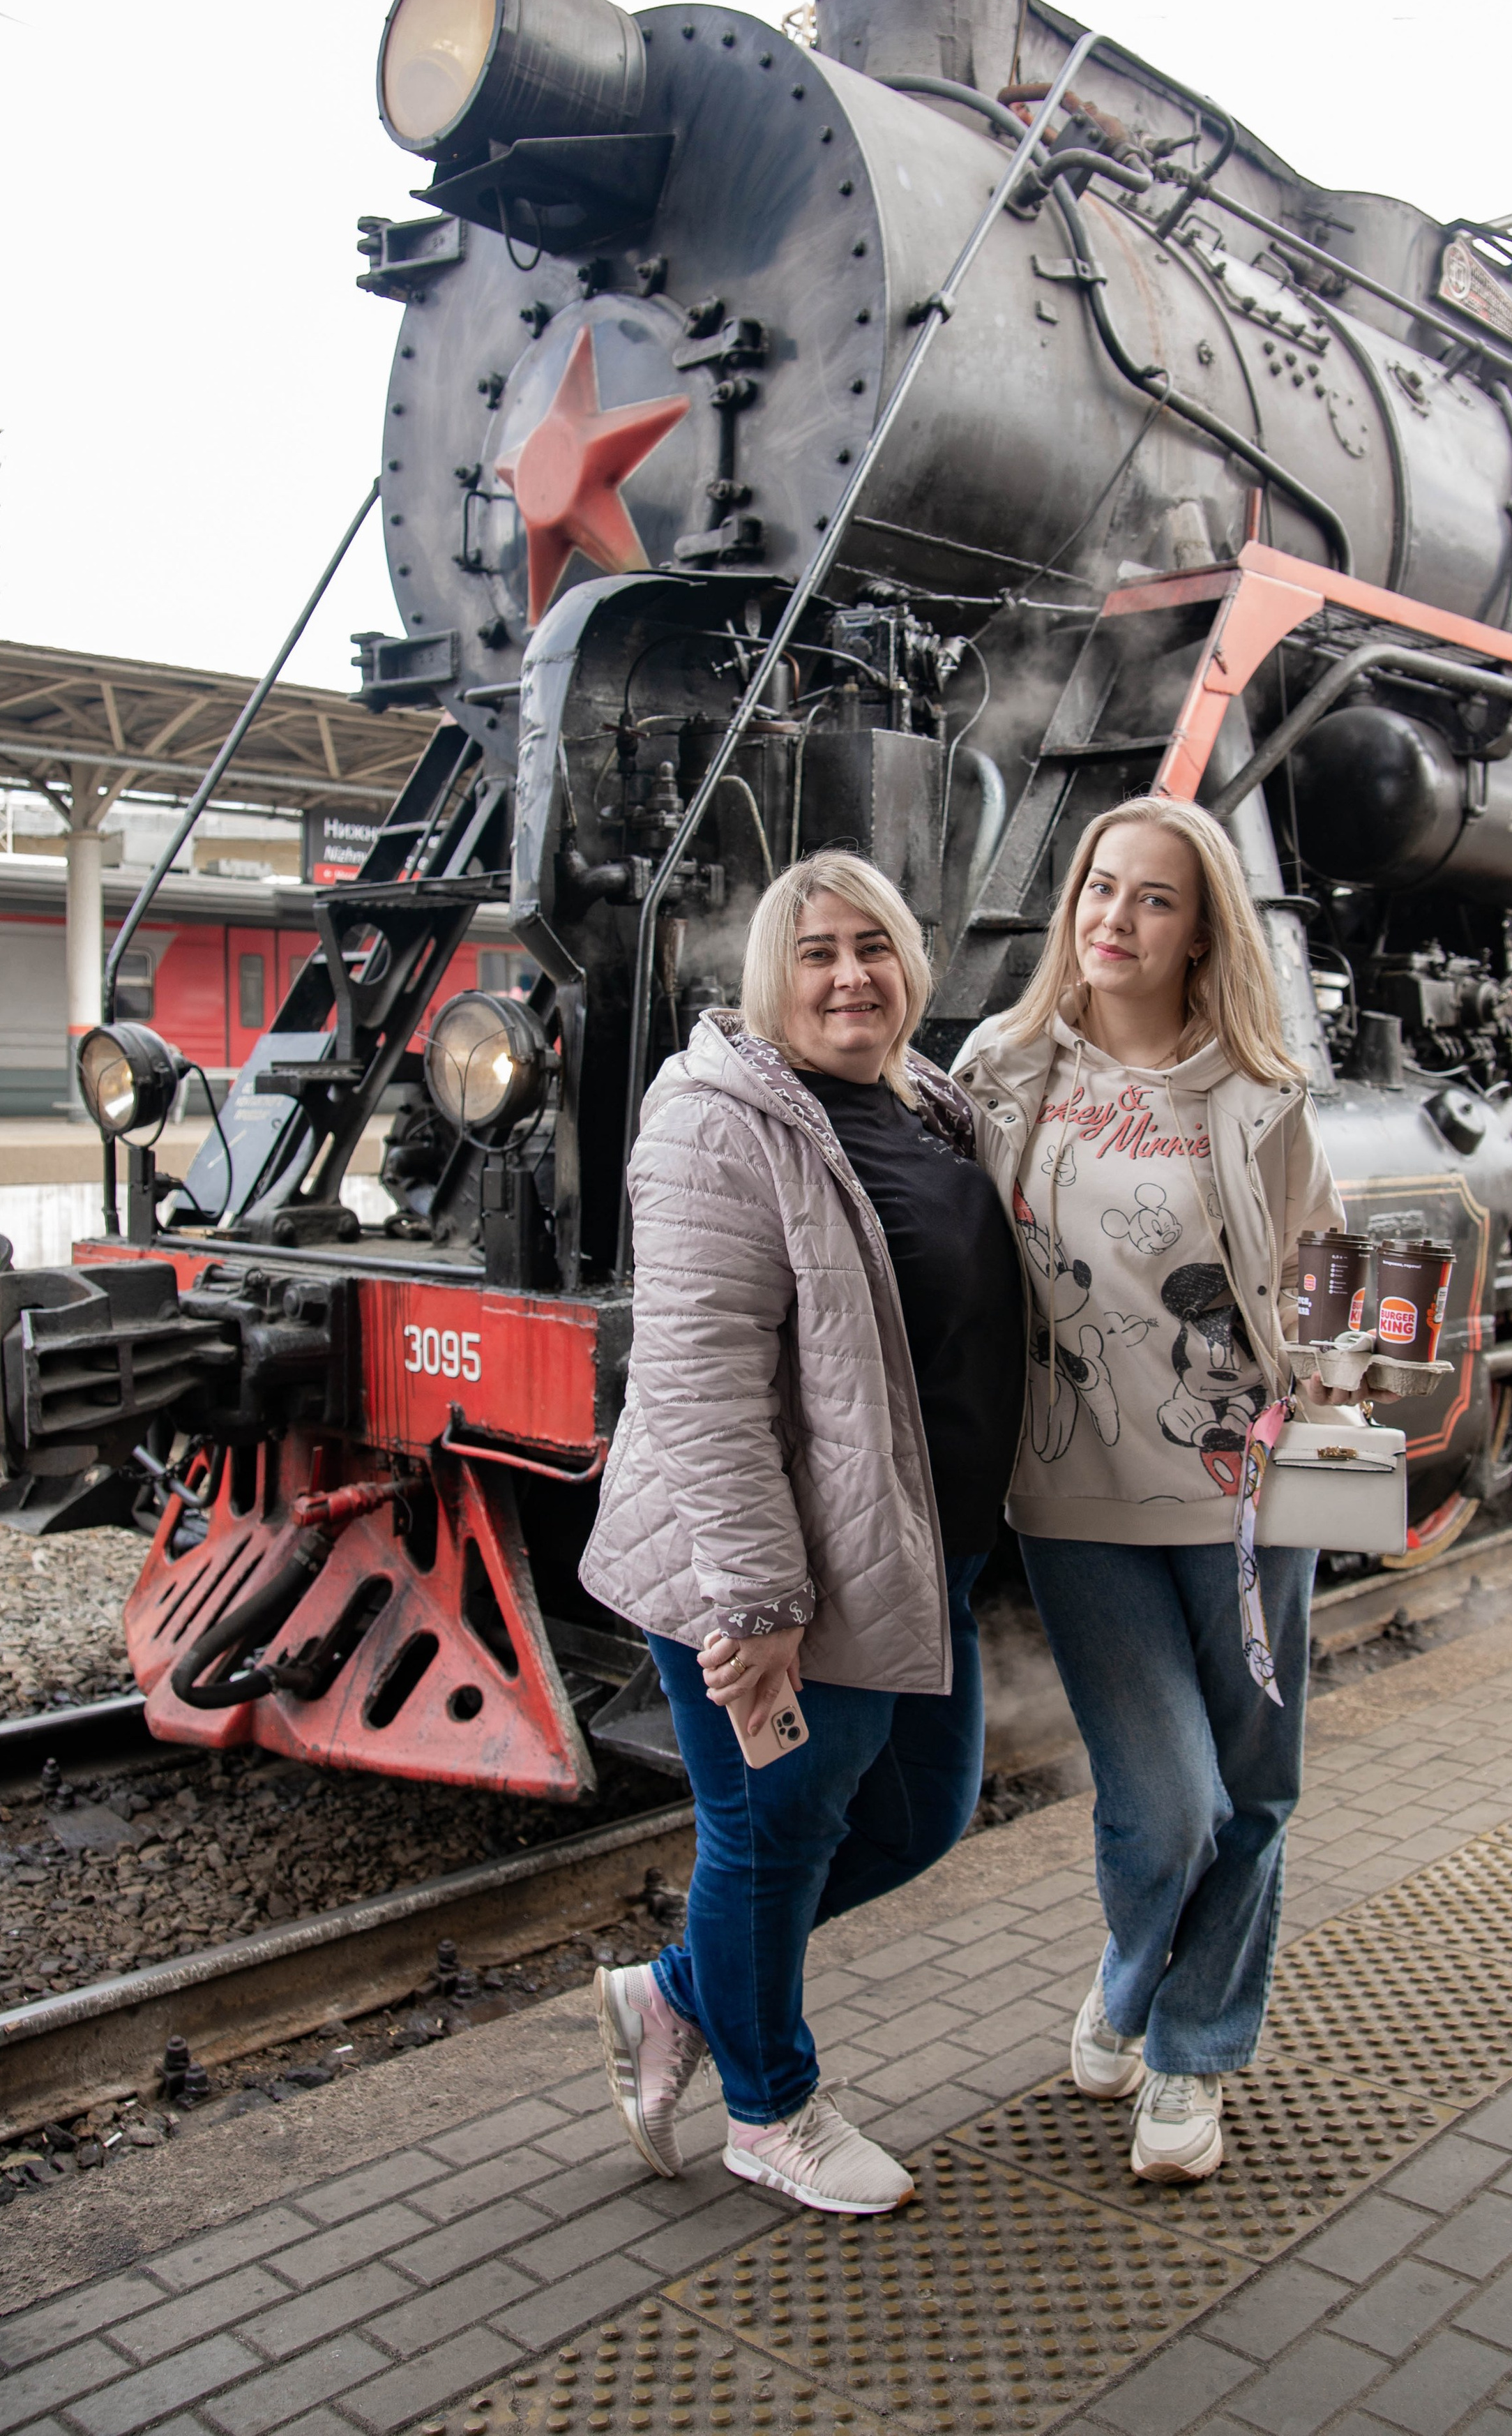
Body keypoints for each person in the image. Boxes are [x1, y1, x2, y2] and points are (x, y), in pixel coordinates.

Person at [583, 851, 1025, 2216]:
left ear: (912, 965)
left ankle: (671, 1992)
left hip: (910, 1549)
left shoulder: (928, 1109)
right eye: (817, 951)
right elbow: (699, 1383)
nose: (848, 975)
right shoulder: (717, 1120)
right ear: (770, 977)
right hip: (779, 1574)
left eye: (873, 947)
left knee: (914, 1818)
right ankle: (768, 2109)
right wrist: (755, 1599)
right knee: (772, 1833)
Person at [953, 794, 1343, 2183]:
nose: (1111, 919)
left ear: (1198, 934)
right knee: (1163, 1808)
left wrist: (1352, 1415)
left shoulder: (1258, 1094)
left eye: (1152, 899)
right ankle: (1130, 1978)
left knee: (1252, 1791)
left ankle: (1189, 2053)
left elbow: (1324, 1282)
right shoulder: (999, 1070)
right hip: (1073, 1499)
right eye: (1097, 889)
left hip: (1250, 1501)